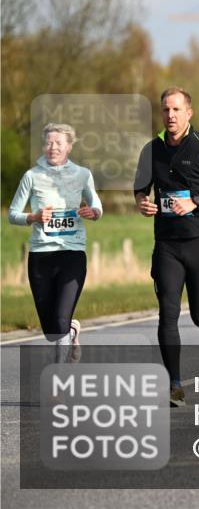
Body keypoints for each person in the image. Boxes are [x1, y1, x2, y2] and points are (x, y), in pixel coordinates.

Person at [134, 88, 199, 406]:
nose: (170, 115)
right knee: (167, 314)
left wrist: (198, 201)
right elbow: (140, 189)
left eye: (176, 109)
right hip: (167, 244)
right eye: (165, 110)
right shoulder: (152, 150)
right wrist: (143, 203)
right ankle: (174, 384)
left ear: (189, 112)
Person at [9, 123, 102, 363]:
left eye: (59, 143)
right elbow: (12, 213)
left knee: (60, 319)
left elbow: (97, 206)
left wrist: (93, 212)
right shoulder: (31, 176)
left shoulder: (83, 174)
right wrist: (34, 217)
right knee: (51, 329)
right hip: (41, 255)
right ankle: (70, 332)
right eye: (49, 142)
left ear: (69, 147)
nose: (53, 147)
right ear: (43, 146)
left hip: (73, 253)